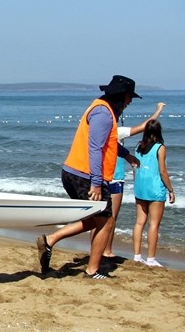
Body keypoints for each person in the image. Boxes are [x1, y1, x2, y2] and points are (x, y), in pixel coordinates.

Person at [35, 75, 142, 280]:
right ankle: (92, 270)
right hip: (84, 175)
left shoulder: (103, 109)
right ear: (123, 95)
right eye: (130, 98)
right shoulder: (103, 113)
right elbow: (95, 148)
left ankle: (50, 240)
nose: (130, 102)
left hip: (76, 172)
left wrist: (125, 154)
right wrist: (96, 183)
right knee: (106, 221)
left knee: (97, 219)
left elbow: (106, 141)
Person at [103, 102, 166, 259]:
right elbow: (144, 126)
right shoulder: (117, 132)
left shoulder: (99, 132)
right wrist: (157, 110)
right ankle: (107, 250)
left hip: (100, 177)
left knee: (100, 218)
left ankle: (100, 249)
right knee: (112, 218)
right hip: (115, 178)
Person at [130, 120, 175, 267]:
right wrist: (171, 189)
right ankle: (150, 258)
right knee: (154, 224)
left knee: (139, 222)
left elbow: (135, 166)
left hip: (140, 187)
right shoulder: (160, 148)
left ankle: (137, 255)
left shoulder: (138, 147)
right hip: (155, 188)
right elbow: (162, 171)